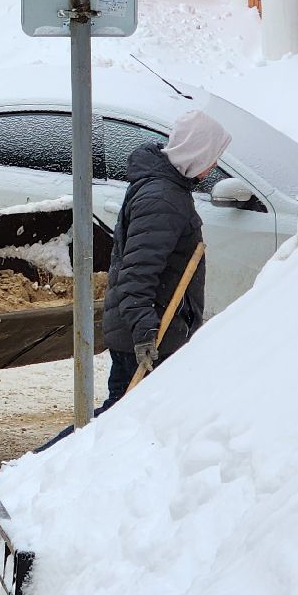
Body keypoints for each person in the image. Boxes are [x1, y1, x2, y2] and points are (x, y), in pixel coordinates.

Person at [101, 110, 232, 410]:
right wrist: (145, 333)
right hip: (146, 336)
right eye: (212, 157)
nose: (213, 166)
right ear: (196, 153)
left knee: (121, 422)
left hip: (151, 330)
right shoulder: (163, 199)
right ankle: (38, 459)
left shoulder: (167, 188)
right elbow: (136, 275)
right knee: (115, 423)